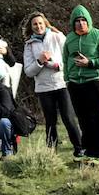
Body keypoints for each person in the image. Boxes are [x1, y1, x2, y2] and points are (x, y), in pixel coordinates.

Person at [22, 11, 82, 154]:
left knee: (68, 118)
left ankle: (79, 148)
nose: (38, 26)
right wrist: (40, 62)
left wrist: (57, 65)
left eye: (40, 23)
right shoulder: (29, 45)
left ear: (45, 24)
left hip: (61, 84)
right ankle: (51, 152)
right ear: (31, 27)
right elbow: (28, 71)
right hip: (43, 88)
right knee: (50, 121)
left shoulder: (58, 37)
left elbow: (71, 58)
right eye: (35, 24)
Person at [61, 4, 99, 161]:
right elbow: (65, 59)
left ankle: (98, 152)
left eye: (84, 20)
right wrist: (67, 79)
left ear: (89, 21)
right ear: (73, 23)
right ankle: (86, 149)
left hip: (92, 82)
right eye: (77, 20)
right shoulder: (69, 38)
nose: (81, 23)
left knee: (94, 118)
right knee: (82, 118)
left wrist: (90, 62)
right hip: (74, 84)